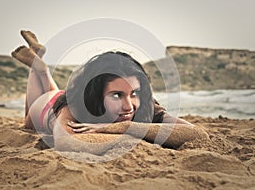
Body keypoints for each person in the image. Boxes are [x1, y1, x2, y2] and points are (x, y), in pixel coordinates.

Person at [11, 30, 208, 154]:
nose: (129, 106)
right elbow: (66, 143)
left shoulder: (145, 106)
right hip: (45, 106)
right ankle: (39, 68)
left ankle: (40, 65)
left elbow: (198, 134)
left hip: (62, 94)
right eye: (116, 95)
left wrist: (123, 127)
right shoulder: (72, 108)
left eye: (134, 93)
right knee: (27, 123)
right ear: (96, 94)